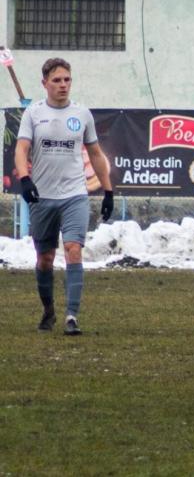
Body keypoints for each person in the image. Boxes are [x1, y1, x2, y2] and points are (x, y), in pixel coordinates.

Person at [14, 58, 114, 336]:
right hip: (42, 197)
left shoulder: (82, 114)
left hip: (74, 195)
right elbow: (22, 149)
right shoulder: (33, 114)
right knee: (45, 258)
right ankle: (49, 310)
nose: (63, 85)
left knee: (73, 249)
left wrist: (108, 190)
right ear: (44, 83)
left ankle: (72, 315)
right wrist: (24, 178)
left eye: (67, 79)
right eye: (57, 80)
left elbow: (95, 154)